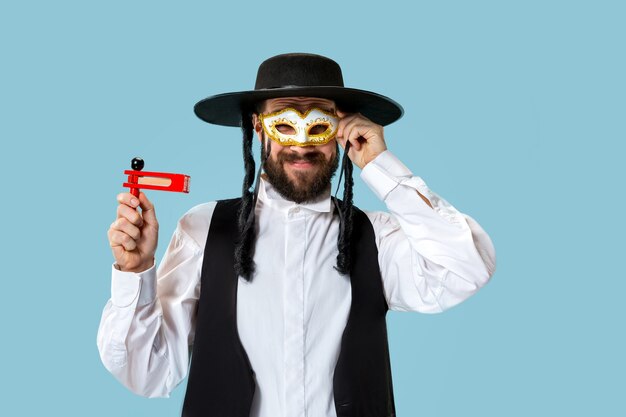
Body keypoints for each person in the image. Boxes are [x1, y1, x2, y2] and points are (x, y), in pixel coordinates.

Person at [98, 53, 496, 417]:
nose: (302, 143)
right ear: (258, 127)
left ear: (342, 128)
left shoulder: (377, 238)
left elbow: (467, 266)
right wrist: (135, 271)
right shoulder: (203, 231)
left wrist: (380, 165)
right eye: (285, 123)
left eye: (319, 123)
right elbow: (147, 374)